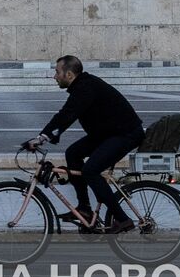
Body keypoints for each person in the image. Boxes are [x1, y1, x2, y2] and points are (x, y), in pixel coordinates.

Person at [27, 55, 144, 235]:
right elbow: (64, 115)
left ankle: (123, 219)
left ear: (70, 75)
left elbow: (67, 115)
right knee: (73, 153)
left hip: (125, 134)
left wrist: (42, 138)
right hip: (108, 133)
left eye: (57, 72)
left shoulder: (85, 88)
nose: (54, 76)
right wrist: (43, 136)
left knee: (91, 170)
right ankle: (85, 209)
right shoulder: (81, 86)